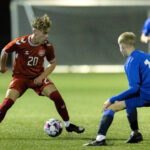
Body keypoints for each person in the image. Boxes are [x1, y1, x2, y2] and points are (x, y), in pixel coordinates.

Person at [0, 14, 84, 134]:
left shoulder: (47, 46)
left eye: (47, 33)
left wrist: (41, 77)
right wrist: (2, 67)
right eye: (44, 33)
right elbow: (4, 51)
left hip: (37, 78)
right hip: (20, 78)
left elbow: (52, 64)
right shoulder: (21, 42)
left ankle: (68, 125)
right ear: (35, 31)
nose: (46, 36)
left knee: (57, 97)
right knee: (7, 103)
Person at [84, 32, 150, 146]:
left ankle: (100, 139)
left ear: (122, 46)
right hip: (146, 92)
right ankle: (135, 134)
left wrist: (112, 99)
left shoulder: (131, 61)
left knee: (111, 106)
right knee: (129, 102)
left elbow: (134, 88)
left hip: (147, 96)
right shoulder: (145, 56)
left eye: (119, 47)